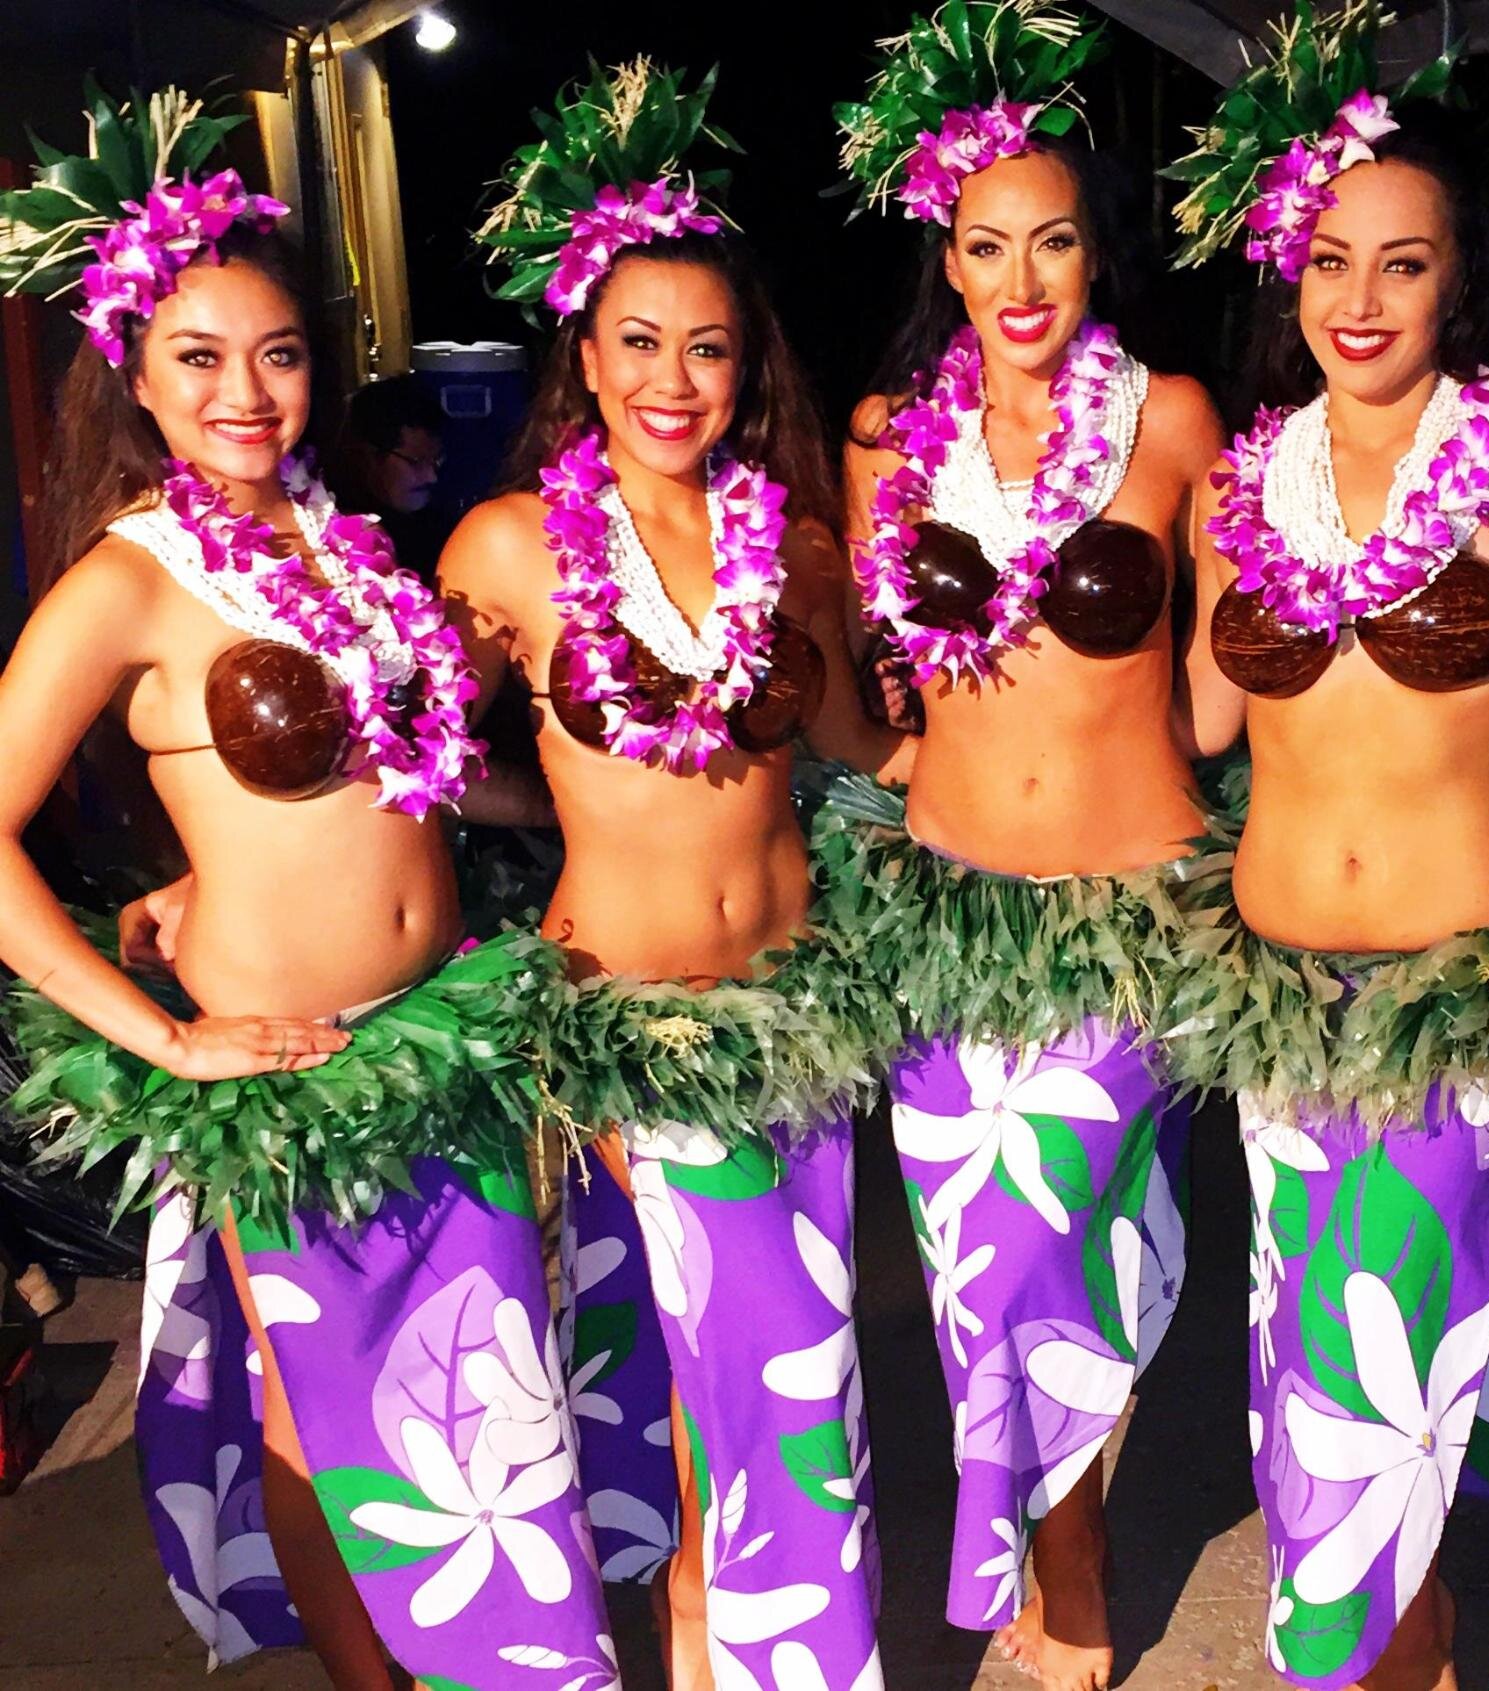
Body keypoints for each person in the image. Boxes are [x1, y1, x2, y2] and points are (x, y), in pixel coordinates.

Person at [0, 85, 617, 1688]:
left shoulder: (342, 543)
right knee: (329, 1417)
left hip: (439, 1034)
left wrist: (606, 803)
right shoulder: (127, 578)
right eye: (199, 357)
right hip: (291, 1067)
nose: (245, 392)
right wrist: (163, 1036)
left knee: (475, 1408)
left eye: (276, 354)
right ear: (136, 369)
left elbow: (399, 781)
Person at [451, 56, 903, 1691]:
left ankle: (715, 1640)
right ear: (584, 355)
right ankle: (752, 1652)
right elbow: (402, 753)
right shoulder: (510, 547)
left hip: (794, 1017)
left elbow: (863, 749)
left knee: (767, 1378)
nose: (672, 377)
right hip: (624, 1021)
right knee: (739, 1384)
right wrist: (538, 804)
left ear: (742, 366)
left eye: (706, 347)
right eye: (637, 341)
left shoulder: (796, 550)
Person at [1168, 6, 1489, 1686]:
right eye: (1328, 261)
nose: (1358, 300)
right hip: (1280, 999)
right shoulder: (1236, 487)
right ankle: (1402, 1640)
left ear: (1453, 279)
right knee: (1312, 1348)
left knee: (1379, 1367)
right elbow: (1199, 720)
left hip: (1455, 986)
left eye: (1400, 265)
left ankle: (1368, 1660)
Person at [829, 5, 1223, 1686]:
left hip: (1126, 915)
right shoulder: (884, 437)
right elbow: (875, 668)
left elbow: (1219, 668)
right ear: (946, 256)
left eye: (1051, 239)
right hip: (946, 919)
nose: (1020, 277)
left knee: (1073, 1261)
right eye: (985, 244)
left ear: (1093, 252)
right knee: (969, 1279)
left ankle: (1068, 1566)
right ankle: (1054, 1558)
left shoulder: (1170, 418)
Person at [332, 374, 450, 579]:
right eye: (416, 461)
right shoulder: (338, 535)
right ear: (367, 456)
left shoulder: (441, 529)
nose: (432, 477)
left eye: (437, 460)